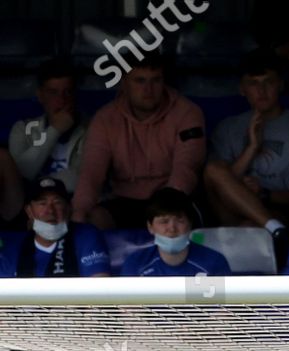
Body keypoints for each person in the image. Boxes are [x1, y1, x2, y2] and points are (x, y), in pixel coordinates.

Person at [72, 54, 206, 231]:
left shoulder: (187, 112)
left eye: (155, 80)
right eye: (140, 81)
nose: (148, 89)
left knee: (175, 221)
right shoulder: (105, 118)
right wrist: (79, 213)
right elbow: (91, 172)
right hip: (125, 199)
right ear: (124, 83)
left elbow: (187, 167)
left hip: (173, 198)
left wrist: (165, 212)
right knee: (91, 219)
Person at [202, 52, 289, 241]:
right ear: (242, 89)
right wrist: (251, 148)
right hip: (229, 212)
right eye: (253, 83)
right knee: (214, 168)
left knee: (249, 229)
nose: (261, 90)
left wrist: (263, 193)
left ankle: (272, 226)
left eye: (269, 82)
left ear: (280, 85)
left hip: (276, 211)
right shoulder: (227, 127)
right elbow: (215, 182)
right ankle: (275, 229)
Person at [1, 176, 110, 277]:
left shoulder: (86, 236)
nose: (50, 210)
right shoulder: (14, 246)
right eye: (42, 204)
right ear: (29, 211)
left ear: (69, 209)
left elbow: (100, 288)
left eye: (57, 203)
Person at [8, 59, 87, 193]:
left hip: (79, 204)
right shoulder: (23, 129)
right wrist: (55, 130)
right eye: (53, 92)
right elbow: (20, 173)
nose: (61, 100)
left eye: (68, 92)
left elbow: (84, 178)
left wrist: (34, 187)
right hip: (35, 206)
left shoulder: (94, 128)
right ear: (40, 96)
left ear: (75, 94)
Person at [120, 187, 232, 278]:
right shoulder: (136, 264)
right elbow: (127, 306)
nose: (172, 228)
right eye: (164, 221)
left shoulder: (214, 262)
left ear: (190, 224)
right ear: (150, 227)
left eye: (180, 220)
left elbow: (221, 305)